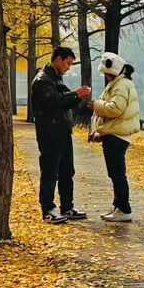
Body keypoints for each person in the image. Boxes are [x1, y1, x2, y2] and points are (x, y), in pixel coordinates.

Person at [31, 46, 91, 224]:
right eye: (67, 63)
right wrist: (75, 95)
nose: (68, 67)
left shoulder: (56, 78)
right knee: (50, 172)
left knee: (67, 171)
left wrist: (77, 97)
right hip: (50, 133)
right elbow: (52, 101)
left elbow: (65, 100)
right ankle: (48, 209)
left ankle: (67, 207)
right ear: (57, 59)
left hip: (63, 132)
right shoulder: (42, 80)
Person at [89, 51, 140, 223]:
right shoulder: (120, 83)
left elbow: (115, 108)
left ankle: (124, 209)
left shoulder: (121, 85)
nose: (104, 75)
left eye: (106, 72)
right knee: (115, 174)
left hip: (117, 137)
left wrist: (96, 105)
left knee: (117, 174)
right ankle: (119, 206)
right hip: (115, 135)